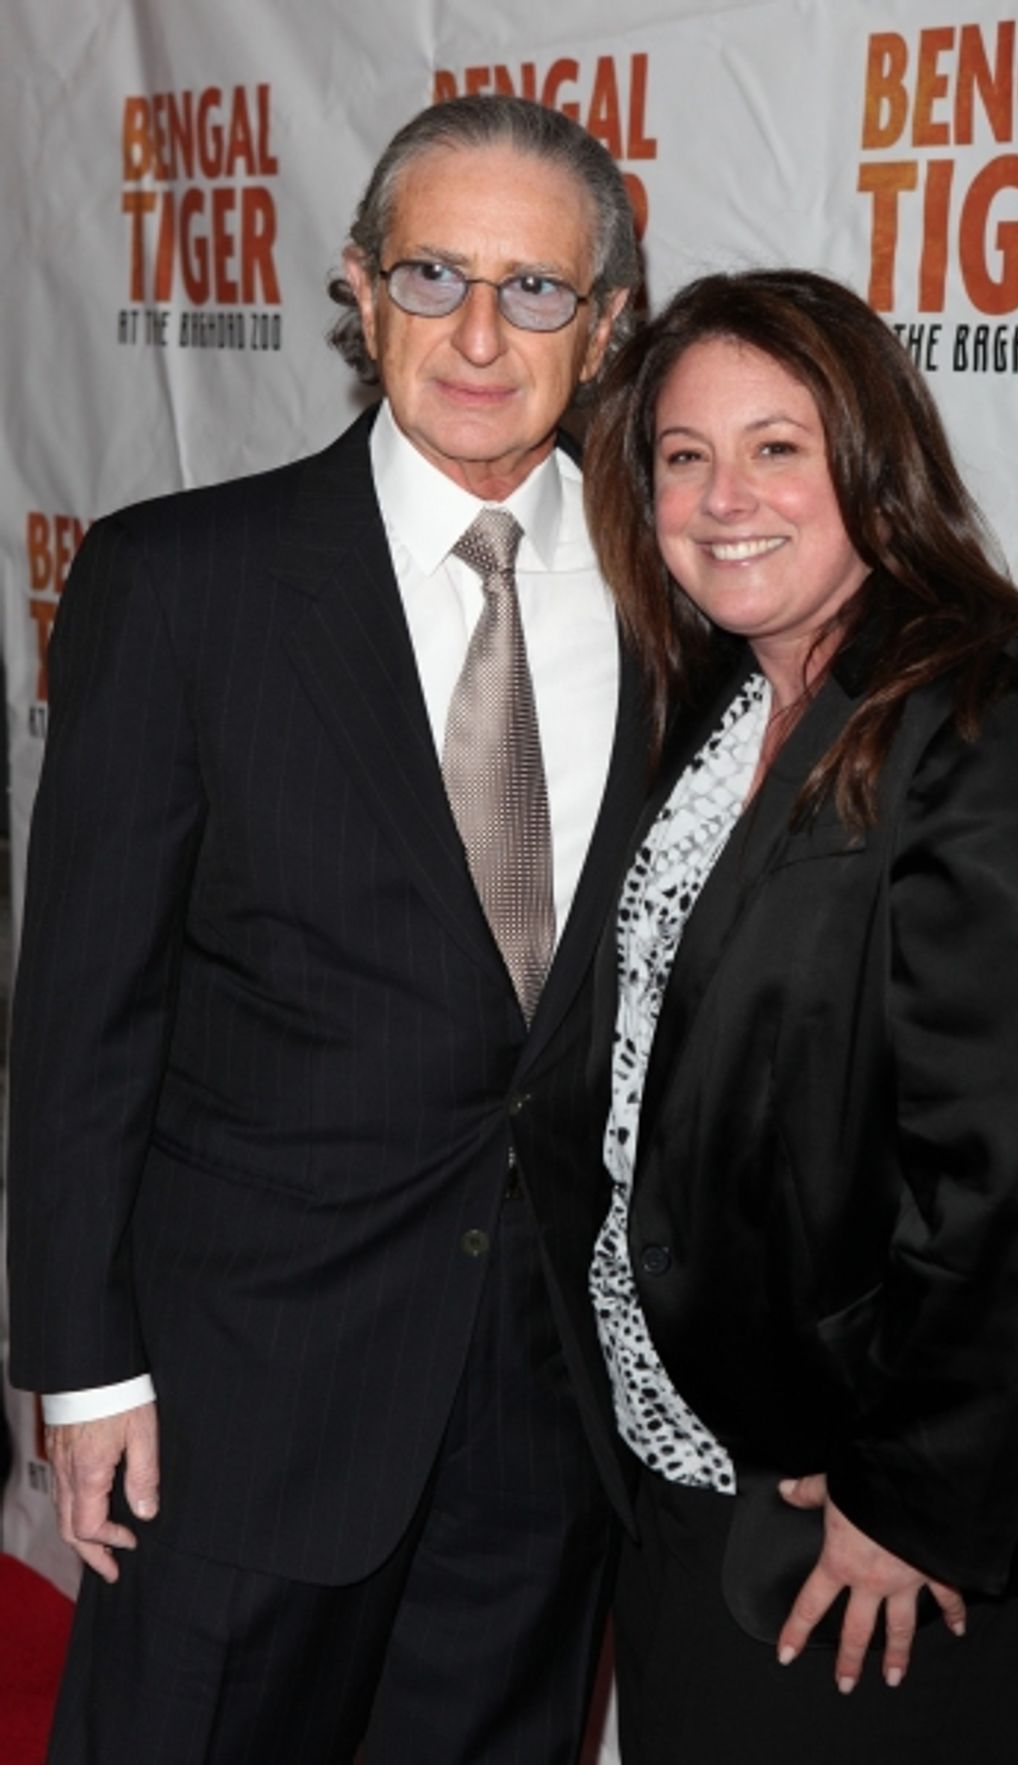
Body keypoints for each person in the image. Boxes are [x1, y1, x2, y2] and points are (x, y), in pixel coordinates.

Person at [6, 94, 647, 1764]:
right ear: (358, 290)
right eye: (434, 274)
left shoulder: (684, 605)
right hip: (235, 1401)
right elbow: (84, 1013)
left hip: (548, 1405)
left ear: (609, 323)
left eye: (536, 289)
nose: (482, 335)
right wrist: (81, 1372)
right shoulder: (182, 582)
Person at [581, 268, 1018, 1764]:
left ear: (874, 462)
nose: (726, 495)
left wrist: (906, 1496)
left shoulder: (1016, 726)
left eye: (778, 445)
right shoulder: (719, 707)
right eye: (683, 454)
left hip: (895, 1525)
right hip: (702, 1474)